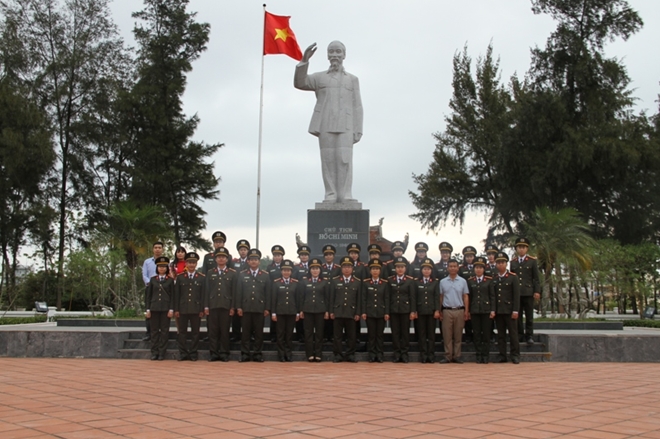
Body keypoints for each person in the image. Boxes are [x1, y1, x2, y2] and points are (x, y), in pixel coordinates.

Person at [294, 41, 363, 204]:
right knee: (328, 160)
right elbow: (300, 82)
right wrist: (304, 61)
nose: (334, 55)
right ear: (327, 55)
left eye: (338, 52)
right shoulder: (319, 77)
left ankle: (345, 194)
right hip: (325, 123)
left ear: (344, 55)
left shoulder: (352, 79)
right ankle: (330, 194)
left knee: (344, 159)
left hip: (346, 124)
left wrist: (358, 128)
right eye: (331, 52)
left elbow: (358, 105)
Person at [235, 249, 271, 362]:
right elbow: (238, 292)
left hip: (259, 309)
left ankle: (257, 354)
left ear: (259, 262)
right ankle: (245, 354)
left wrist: (267, 308)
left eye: (256, 260)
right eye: (251, 260)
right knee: (245, 333)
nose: (254, 262)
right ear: (248, 261)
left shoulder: (265, 275)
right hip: (246, 308)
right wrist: (239, 307)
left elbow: (268, 293)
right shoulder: (242, 275)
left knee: (259, 333)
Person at [204, 246, 237, 362]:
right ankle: (213, 353)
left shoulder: (232, 274)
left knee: (224, 331)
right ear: (215, 259)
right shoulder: (210, 273)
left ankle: (224, 353)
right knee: (213, 331)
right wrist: (206, 306)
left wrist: (233, 306)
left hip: (226, 306)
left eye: (223, 257)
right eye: (219, 257)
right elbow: (207, 290)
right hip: (213, 305)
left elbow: (234, 291)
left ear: (227, 259)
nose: (221, 259)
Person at [509, 237, 541, 345]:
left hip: (528, 292)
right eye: (519, 247)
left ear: (527, 249)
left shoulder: (532, 261)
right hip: (517, 293)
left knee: (529, 315)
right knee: (517, 316)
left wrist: (537, 291)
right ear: (516, 249)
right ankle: (520, 335)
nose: (521, 249)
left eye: (523, 247)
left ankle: (529, 335)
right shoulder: (513, 262)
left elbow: (536, 278)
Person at [174, 252, 205, 361]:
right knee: (182, 332)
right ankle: (182, 353)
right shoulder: (180, 277)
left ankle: (193, 353)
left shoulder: (201, 278)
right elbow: (177, 294)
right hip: (182, 309)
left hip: (196, 309)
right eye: (190, 262)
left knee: (195, 332)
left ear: (196, 264)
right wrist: (176, 309)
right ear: (186, 263)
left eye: (194, 263)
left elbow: (203, 295)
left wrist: (202, 309)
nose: (191, 265)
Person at [330, 256, 361, 363]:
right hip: (338, 312)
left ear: (352, 268)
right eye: (344, 267)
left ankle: (350, 355)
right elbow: (331, 298)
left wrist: (358, 312)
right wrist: (331, 311)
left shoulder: (357, 282)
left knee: (351, 335)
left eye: (349, 266)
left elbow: (359, 299)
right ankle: (338, 355)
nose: (346, 269)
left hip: (351, 312)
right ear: (341, 268)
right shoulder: (335, 281)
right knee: (337, 335)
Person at [439, 259, 470, 364]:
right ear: (447, 268)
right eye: (450, 266)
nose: (452, 268)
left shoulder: (463, 281)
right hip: (447, 310)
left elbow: (465, 296)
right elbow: (441, 297)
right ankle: (448, 356)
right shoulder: (442, 282)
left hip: (459, 310)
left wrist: (466, 311)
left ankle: (457, 356)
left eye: (454, 266)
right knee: (447, 335)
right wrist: (440, 311)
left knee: (458, 335)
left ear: (458, 268)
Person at [492, 252, 521, 364]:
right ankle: (502, 355)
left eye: (502, 262)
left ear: (506, 264)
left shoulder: (513, 278)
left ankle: (515, 355)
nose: (500, 265)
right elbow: (494, 296)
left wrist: (515, 310)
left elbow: (516, 295)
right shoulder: (494, 279)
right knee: (501, 335)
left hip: (510, 311)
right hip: (499, 311)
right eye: (498, 263)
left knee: (513, 334)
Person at [299, 258, 329, 362]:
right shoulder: (304, 281)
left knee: (319, 333)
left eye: (317, 268)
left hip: (321, 311)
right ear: (310, 270)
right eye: (313, 268)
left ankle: (318, 354)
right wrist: (301, 310)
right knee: (308, 333)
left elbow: (327, 298)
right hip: (307, 310)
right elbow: (301, 297)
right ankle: (310, 354)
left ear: (320, 270)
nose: (315, 271)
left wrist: (327, 311)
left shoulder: (324, 282)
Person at [145, 256, 174, 360]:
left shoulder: (170, 280)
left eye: (164, 267)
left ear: (167, 268)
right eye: (160, 267)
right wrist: (147, 309)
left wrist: (171, 309)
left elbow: (173, 296)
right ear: (157, 268)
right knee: (154, 331)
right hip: (154, 308)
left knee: (164, 331)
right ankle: (154, 352)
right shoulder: (153, 280)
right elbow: (148, 296)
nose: (162, 269)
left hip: (166, 308)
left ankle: (162, 352)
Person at [361, 258, 390, 363]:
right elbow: (363, 298)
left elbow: (386, 299)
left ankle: (380, 354)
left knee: (380, 335)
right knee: (371, 334)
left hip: (381, 313)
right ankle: (372, 354)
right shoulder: (366, 283)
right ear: (370, 271)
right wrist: (363, 312)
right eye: (373, 269)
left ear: (380, 270)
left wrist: (387, 312)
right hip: (370, 312)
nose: (375, 271)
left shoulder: (385, 283)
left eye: (377, 269)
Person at [271, 260, 300, 362]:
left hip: (291, 312)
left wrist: (297, 312)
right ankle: (281, 354)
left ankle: (288, 354)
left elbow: (298, 299)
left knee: (289, 335)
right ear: (281, 271)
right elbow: (273, 299)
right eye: (284, 270)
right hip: (280, 312)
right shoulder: (276, 283)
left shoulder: (296, 283)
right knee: (280, 334)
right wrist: (273, 313)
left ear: (291, 272)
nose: (286, 272)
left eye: (288, 270)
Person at [388, 257, 416, 363]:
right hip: (394, 309)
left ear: (405, 268)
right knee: (395, 333)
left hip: (405, 310)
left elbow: (412, 297)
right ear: (395, 268)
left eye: (402, 267)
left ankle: (404, 354)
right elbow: (388, 296)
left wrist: (413, 311)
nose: (400, 269)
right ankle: (397, 353)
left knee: (405, 333)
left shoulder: (409, 280)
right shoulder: (390, 280)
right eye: (398, 267)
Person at [468, 257, 495, 364]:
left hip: (486, 310)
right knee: (477, 334)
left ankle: (486, 355)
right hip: (474, 310)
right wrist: (468, 311)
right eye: (476, 268)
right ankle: (478, 354)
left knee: (486, 334)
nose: (478, 270)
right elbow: (469, 297)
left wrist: (493, 310)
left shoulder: (489, 281)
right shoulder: (470, 281)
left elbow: (492, 296)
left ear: (484, 269)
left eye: (480, 268)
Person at [414, 258, 440, 363]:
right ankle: (423, 355)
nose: (426, 271)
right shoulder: (416, 282)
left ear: (431, 270)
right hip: (420, 311)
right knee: (422, 334)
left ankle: (431, 355)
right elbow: (414, 297)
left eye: (428, 269)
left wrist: (437, 310)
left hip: (431, 311)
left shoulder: (435, 282)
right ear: (421, 270)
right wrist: (414, 310)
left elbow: (437, 297)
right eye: (424, 269)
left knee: (431, 335)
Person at [142, 241, 164, 341]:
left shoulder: (166, 262)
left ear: (162, 249)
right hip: (150, 288)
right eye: (156, 247)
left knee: (162, 312)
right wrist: (151, 283)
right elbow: (144, 275)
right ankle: (149, 333)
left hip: (163, 289)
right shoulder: (147, 262)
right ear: (153, 249)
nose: (157, 249)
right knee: (149, 310)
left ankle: (160, 332)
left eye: (159, 247)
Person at [230, 239, 250, 341]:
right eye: (241, 249)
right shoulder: (234, 262)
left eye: (245, 250)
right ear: (238, 251)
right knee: (236, 315)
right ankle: (236, 335)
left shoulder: (251, 262)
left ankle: (249, 335)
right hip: (235, 289)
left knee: (247, 315)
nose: (243, 251)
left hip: (247, 290)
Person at [266, 245, 286, 342]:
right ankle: (273, 335)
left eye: (279, 255)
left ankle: (283, 335)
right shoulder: (269, 267)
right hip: (273, 294)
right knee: (273, 315)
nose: (277, 257)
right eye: (275, 255)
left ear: (282, 256)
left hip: (284, 293)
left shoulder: (286, 266)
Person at [321, 245, 340, 342]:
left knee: (333, 315)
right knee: (324, 315)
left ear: (334, 256)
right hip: (323, 293)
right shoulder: (320, 268)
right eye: (326, 255)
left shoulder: (338, 268)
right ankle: (324, 335)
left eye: (330, 255)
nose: (328, 257)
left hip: (335, 294)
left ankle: (332, 335)